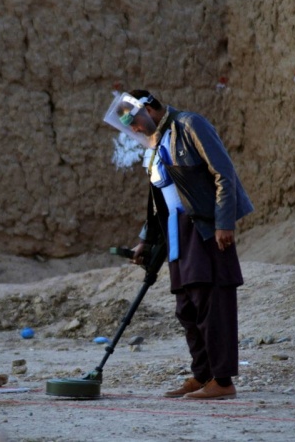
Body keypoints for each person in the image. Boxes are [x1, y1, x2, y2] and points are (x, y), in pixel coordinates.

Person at [108, 90, 254, 400]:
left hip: (203, 227)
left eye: (134, 120)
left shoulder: (190, 125)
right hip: (176, 233)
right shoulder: (157, 143)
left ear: (149, 108)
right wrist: (145, 242)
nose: (134, 129)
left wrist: (223, 222)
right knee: (187, 308)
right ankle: (202, 375)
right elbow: (159, 200)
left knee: (211, 303)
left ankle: (223, 380)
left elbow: (223, 172)